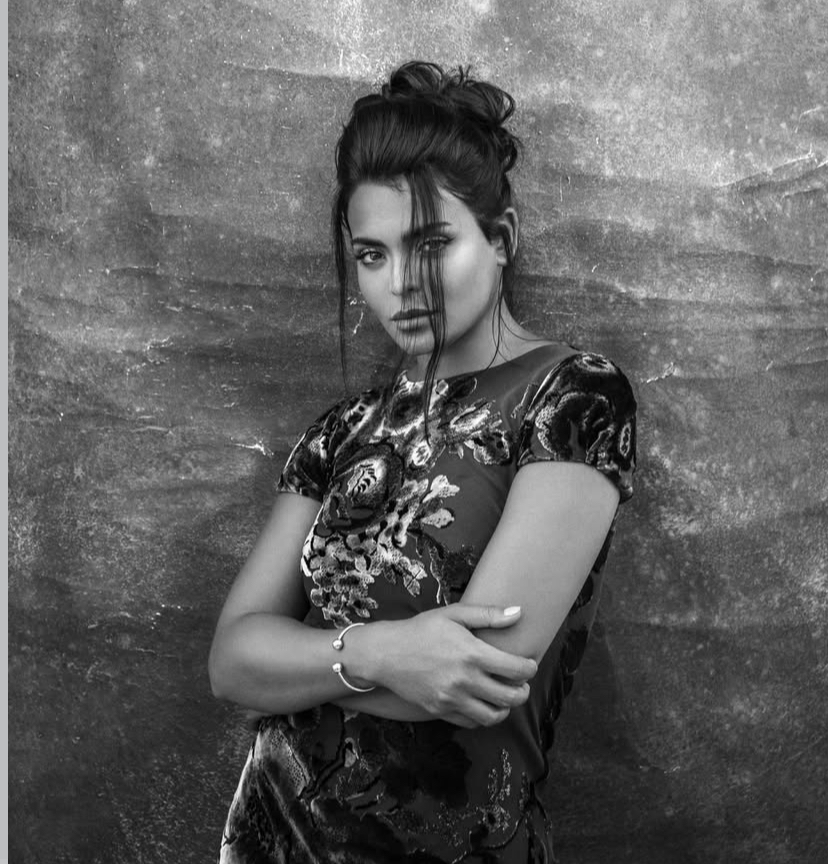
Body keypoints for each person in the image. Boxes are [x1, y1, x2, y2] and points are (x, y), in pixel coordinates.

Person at [209, 61, 637, 863]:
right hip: (275, 832)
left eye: (431, 244)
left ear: (500, 240)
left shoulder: (572, 396)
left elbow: (476, 678)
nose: (401, 284)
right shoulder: (340, 432)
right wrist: (382, 652)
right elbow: (231, 663)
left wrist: (301, 659)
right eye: (371, 255)